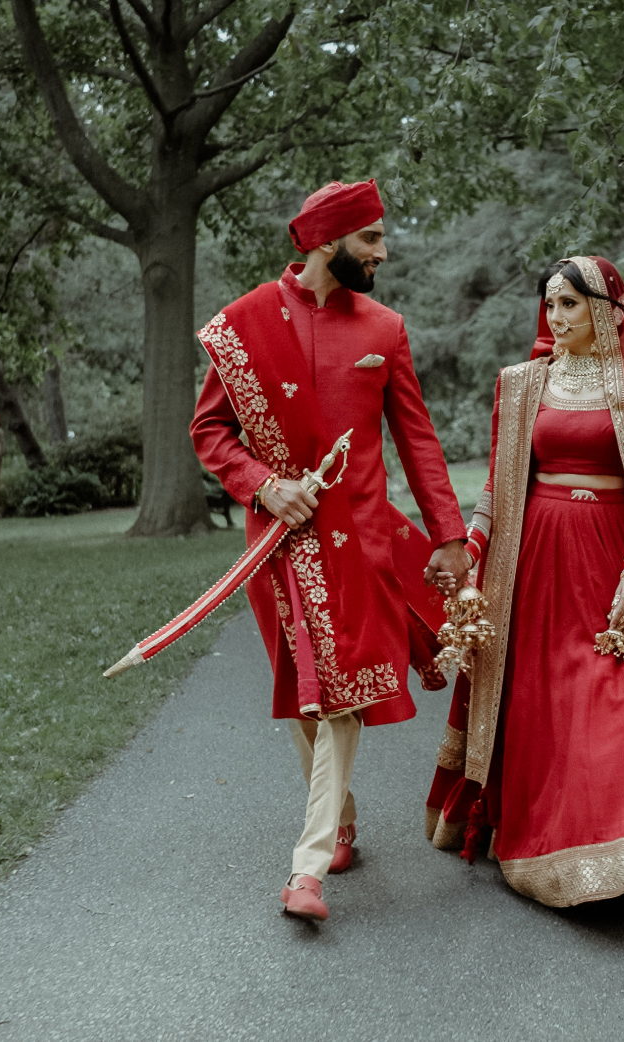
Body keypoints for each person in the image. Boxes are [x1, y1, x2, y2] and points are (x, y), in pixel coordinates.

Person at [191, 179, 472, 922]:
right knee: (304, 694)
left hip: (362, 546)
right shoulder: (244, 326)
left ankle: (306, 866)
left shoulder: (385, 328)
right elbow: (211, 433)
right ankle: (341, 810)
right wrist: (263, 485)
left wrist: (448, 537)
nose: (384, 251)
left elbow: (418, 441)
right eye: (370, 238)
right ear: (326, 244)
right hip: (279, 546)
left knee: (343, 694)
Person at [423, 256, 624, 909]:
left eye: (570, 304)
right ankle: (561, 849)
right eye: (551, 304)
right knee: (550, 707)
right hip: (537, 565)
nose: (556, 318)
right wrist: (471, 547)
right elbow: (501, 488)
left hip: (609, 562)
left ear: (606, 312)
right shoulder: (525, 384)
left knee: (619, 701)